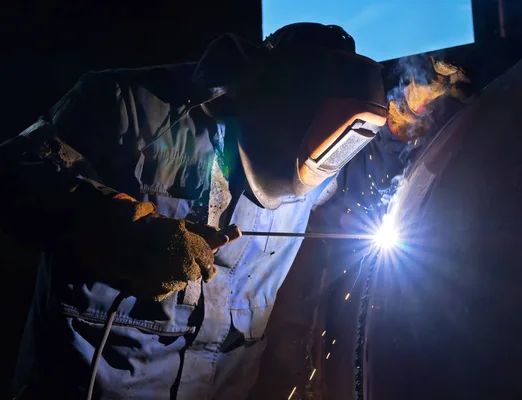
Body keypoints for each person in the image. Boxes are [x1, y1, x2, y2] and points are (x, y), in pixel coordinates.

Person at [0, 23, 388, 399]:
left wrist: (423, 112)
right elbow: (16, 173)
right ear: (280, 96)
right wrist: (124, 227)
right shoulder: (132, 105)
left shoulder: (322, 167)